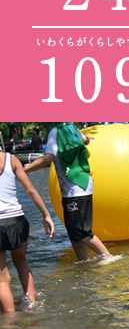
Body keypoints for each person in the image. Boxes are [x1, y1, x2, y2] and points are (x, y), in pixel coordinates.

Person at [24, 123, 111, 261]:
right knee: (73, 232)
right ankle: (83, 263)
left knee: (81, 232)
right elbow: (85, 140)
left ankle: (108, 257)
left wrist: (23, 171)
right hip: (79, 185)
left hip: (75, 188)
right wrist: (87, 137)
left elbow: (49, 158)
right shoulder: (70, 127)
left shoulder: (55, 131)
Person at [0, 149, 55, 311]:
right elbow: (30, 190)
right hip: (17, 221)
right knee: (21, 261)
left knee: (2, 279)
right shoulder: (11, 160)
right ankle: (31, 304)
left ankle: (11, 320)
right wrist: (46, 215)